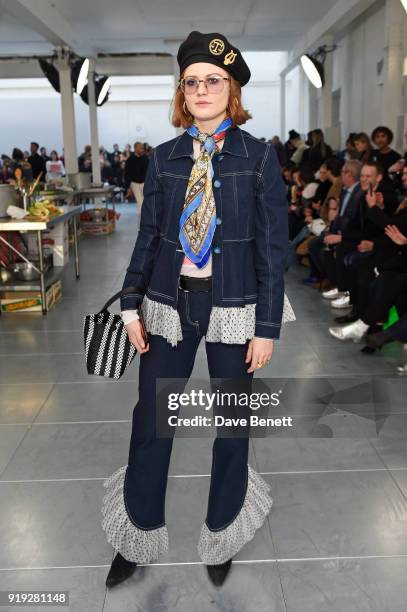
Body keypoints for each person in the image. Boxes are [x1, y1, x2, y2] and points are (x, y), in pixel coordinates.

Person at [101, 29, 294, 590]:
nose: (202, 89)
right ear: (182, 94)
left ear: (231, 90)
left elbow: (272, 250)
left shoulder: (258, 158)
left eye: (213, 80)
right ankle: (136, 535)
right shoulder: (162, 160)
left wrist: (267, 327)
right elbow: (148, 239)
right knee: (150, 423)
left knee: (232, 425)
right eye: (192, 82)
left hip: (235, 306)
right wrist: (131, 303)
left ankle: (222, 533)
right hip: (169, 304)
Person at [124, 142, 149, 212]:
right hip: (134, 184)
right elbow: (126, 174)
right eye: (141, 148)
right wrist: (128, 188)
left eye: (143, 148)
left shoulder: (145, 159)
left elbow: (149, 172)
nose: (142, 150)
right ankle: (143, 221)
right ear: (135, 148)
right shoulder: (129, 160)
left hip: (144, 183)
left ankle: (144, 219)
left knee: (146, 203)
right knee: (140, 203)